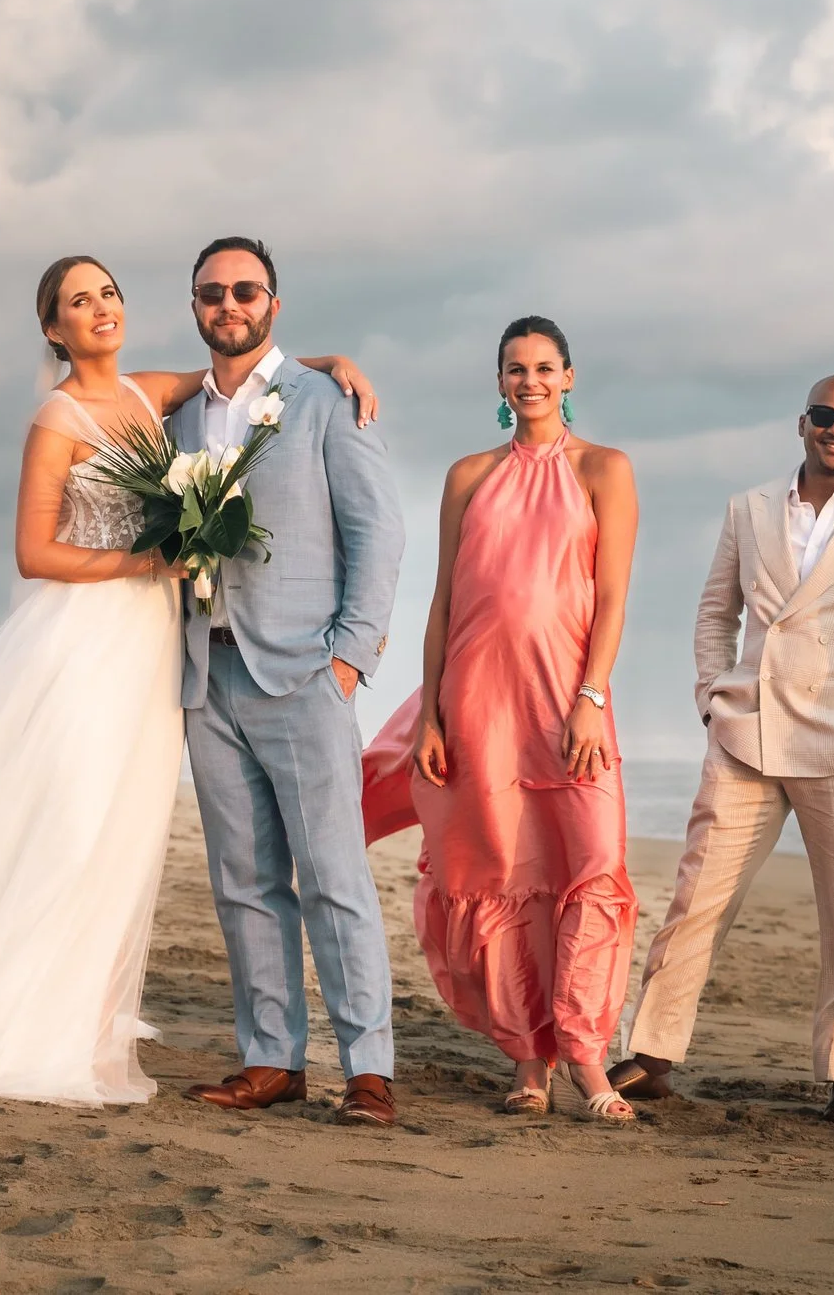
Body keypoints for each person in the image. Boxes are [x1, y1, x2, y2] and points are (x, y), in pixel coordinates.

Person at [0, 257, 377, 1104]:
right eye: (79, 302)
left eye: (107, 294)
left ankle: (99, 1025)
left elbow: (246, 367)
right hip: (81, 646)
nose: (100, 309)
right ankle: (24, 1022)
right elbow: (34, 552)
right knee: (69, 831)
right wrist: (147, 558)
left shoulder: (153, 395)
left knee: (125, 840)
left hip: (157, 659)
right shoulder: (58, 417)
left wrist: (327, 363)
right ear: (53, 328)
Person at [611, 374, 834, 1122]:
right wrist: (713, 694)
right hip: (749, 733)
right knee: (697, 897)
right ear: (802, 424)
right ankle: (651, 1054)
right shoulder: (749, 509)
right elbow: (717, 612)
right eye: (826, 416)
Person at [362, 316, 641, 1119]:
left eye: (545, 367)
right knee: (504, 874)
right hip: (478, 700)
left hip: (565, 702)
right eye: (516, 369)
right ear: (499, 384)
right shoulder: (468, 476)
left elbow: (613, 595)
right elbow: (444, 602)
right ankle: (528, 1060)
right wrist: (430, 718)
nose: (531, 381)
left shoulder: (605, 470)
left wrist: (591, 698)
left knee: (586, 866)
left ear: (569, 377)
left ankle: (587, 1058)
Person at [175, 237, 408, 1127]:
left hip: (306, 672)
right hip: (208, 672)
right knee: (243, 878)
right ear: (194, 305)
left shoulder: (324, 401)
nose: (227, 304)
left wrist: (350, 657)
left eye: (245, 290)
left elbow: (377, 533)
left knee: (333, 874)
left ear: (274, 301)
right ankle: (272, 1059)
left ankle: (368, 1068)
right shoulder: (180, 422)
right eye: (211, 292)